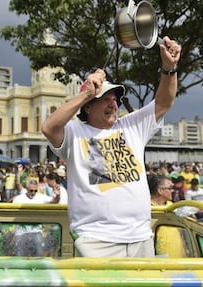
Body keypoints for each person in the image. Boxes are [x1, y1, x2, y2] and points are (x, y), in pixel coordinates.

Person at [41, 36, 181, 257]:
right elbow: (49, 126)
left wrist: (169, 69)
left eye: (115, 98)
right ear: (87, 106)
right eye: (104, 98)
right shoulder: (75, 132)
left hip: (141, 237)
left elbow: (164, 102)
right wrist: (86, 92)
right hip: (96, 241)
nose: (113, 103)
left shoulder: (132, 126)